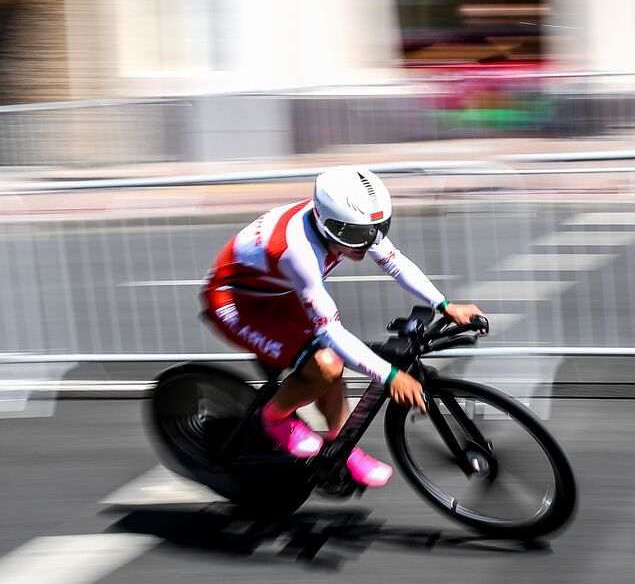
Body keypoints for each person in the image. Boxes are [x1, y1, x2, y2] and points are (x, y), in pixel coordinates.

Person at [201, 165, 485, 487]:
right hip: (237, 304)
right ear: (326, 222)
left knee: (331, 363)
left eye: (377, 229)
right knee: (326, 364)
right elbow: (330, 331)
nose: (367, 244)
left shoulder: (352, 225)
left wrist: (444, 304)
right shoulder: (299, 251)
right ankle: (273, 418)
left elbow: (394, 261)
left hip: (279, 291)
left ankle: (342, 446)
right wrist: (390, 375)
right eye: (356, 236)